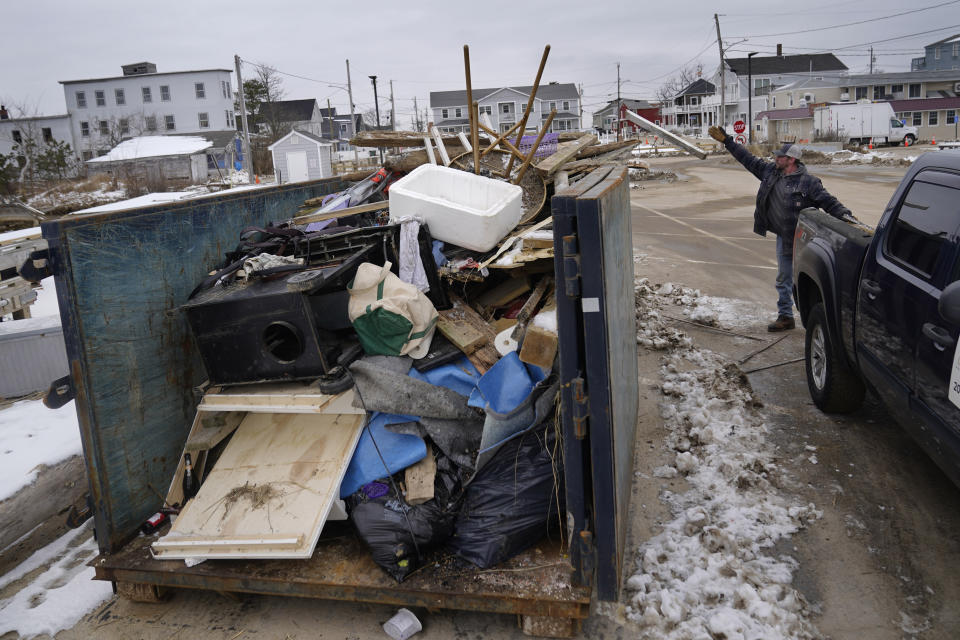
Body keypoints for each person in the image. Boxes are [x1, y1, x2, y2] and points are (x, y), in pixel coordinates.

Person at [707, 126, 852, 331]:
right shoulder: (770, 172)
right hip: (784, 237)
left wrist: (847, 217)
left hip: (805, 239)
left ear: (791, 160)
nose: (776, 159)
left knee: (811, 280)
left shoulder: (809, 183)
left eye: (780, 157)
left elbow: (829, 202)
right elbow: (747, 159)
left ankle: (820, 320)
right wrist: (728, 141)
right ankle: (786, 316)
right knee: (784, 277)